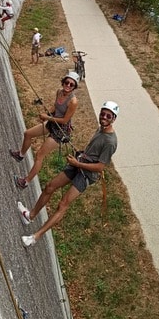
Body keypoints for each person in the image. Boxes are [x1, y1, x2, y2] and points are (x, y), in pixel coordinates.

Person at [17, 100, 119, 247]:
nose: (104, 117)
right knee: (49, 187)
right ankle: (30, 216)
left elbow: (100, 167)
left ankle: (34, 237)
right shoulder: (101, 129)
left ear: (114, 118)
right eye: (103, 114)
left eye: (108, 116)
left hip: (86, 176)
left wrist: (78, 164)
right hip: (79, 164)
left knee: (63, 204)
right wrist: (81, 155)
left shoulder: (110, 142)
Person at [10, 72, 81, 188]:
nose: (68, 85)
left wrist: (47, 117)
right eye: (66, 82)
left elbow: (64, 120)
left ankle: (25, 182)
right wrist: (48, 113)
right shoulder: (59, 92)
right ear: (63, 82)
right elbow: (55, 107)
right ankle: (21, 155)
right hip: (52, 122)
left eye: (71, 84)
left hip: (60, 131)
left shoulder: (73, 101)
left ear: (74, 87)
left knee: (39, 155)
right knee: (28, 134)